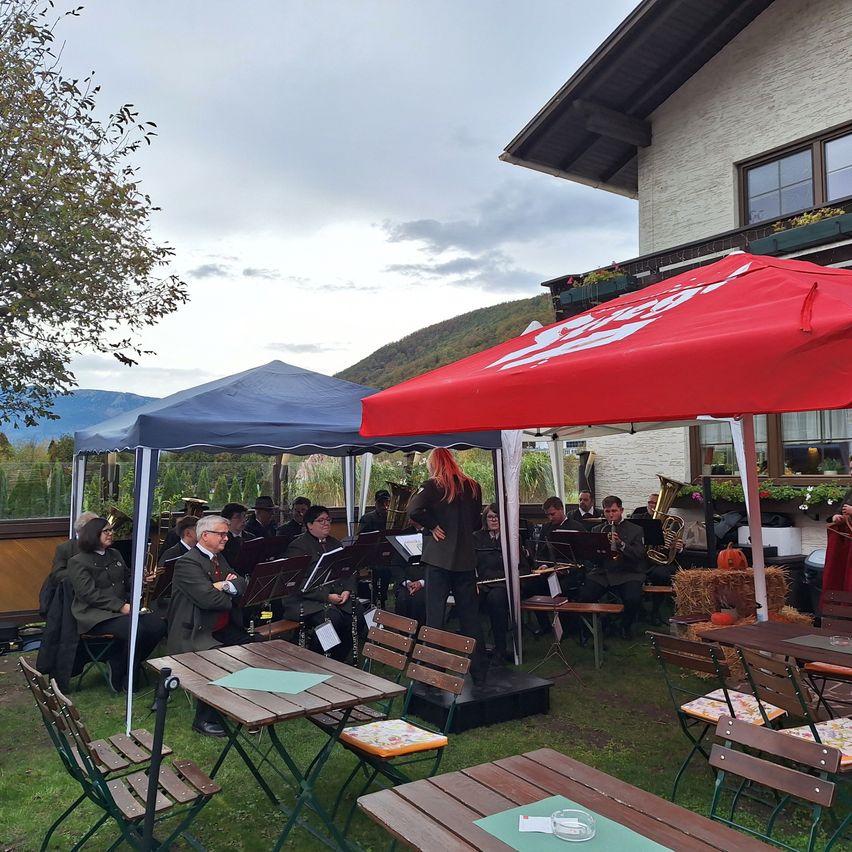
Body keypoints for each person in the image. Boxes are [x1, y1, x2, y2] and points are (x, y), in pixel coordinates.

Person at [407, 448, 487, 683]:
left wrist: (432, 526)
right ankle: (479, 670)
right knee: (470, 616)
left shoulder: (432, 485)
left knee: (436, 616)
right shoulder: (472, 485)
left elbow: (413, 510)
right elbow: (475, 523)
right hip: (465, 558)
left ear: (434, 464)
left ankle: (435, 669)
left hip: (439, 559)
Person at [167, 514, 251, 737]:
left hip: (220, 626)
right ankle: (204, 720)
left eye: (226, 534)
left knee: (256, 649)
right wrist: (227, 589)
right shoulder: (187, 563)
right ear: (205, 536)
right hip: (195, 631)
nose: (226, 538)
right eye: (221, 534)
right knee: (219, 659)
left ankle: (240, 705)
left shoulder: (217, 558)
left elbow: (241, 583)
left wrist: (222, 586)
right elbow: (208, 600)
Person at [68, 517, 167, 692]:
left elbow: (127, 579)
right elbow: (88, 594)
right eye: (106, 531)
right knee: (137, 630)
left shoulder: (115, 554)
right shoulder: (78, 561)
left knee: (158, 625)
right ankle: (128, 678)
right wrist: (121, 606)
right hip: (94, 615)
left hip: (120, 610)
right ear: (93, 534)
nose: (111, 533)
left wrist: (142, 580)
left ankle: (119, 663)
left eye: (111, 530)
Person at [284, 505, 359, 662]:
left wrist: (348, 590)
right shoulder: (298, 546)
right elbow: (296, 582)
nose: (326, 523)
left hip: (335, 596)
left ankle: (339, 658)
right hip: (306, 600)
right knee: (332, 619)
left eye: (328, 520)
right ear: (309, 525)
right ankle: (317, 658)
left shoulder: (336, 543)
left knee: (357, 613)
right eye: (320, 520)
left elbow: (348, 570)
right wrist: (326, 596)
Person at [582, 496, 646, 640]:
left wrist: (621, 544)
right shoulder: (597, 529)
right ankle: (596, 626)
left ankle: (625, 626)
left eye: (614, 511)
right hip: (604, 572)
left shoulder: (636, 530)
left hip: (628, 572)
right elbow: (591, 557)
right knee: (585, 596)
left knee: (633, 598)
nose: (611, 515)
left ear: (621, 510)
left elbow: (639, 554)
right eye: (607, 511)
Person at [473, 504, 523, 664]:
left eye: (497, 517)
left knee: (496, 599)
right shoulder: (476, 537)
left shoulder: (512, 537)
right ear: (485, 519)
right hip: (483, 583)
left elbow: (522, 565)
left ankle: (500, 649)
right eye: (490, 517)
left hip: (503, 584)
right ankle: (476, 650)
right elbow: (472, 563)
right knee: (469, 601)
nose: (494, 520)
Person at [358, 489, 392, 606]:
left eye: (387, 503)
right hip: (372, 556)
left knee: (389, 567)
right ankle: (376, 597)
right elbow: (361, 541)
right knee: (381, 569)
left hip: (390, 555)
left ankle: (383, 597)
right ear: (376, 503)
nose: (384, 506)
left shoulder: (393, 517)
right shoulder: (367, 518)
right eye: (381, 503)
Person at [50, 511, 98, 583]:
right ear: (83, 529)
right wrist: (83, 571)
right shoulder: (64, 548)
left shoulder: (102, 546)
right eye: (96, 528)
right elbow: (57, 575)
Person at [220, 502, 257, 572]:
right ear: (227, 520)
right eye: (238, 517)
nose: (243, 520)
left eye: (244, 516)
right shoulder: (222, 540)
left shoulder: (251, 538)